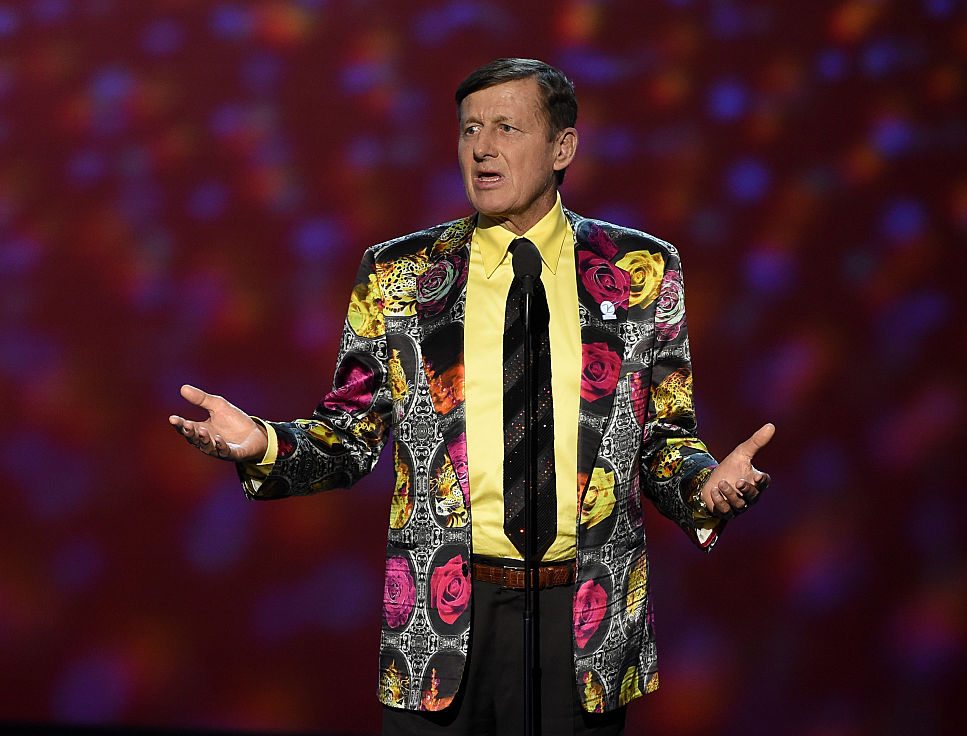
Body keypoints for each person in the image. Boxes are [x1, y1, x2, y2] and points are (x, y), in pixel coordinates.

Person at [169, 58, 774, 736]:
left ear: (563, 147)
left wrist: (704, 487)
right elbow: (350, 431)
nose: (482, 146)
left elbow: (665, 437)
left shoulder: (639, 272)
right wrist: (267, 443)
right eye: (470, 130)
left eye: (507, 128)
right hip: (441, 623)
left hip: (584, 624)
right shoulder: (400, 273)